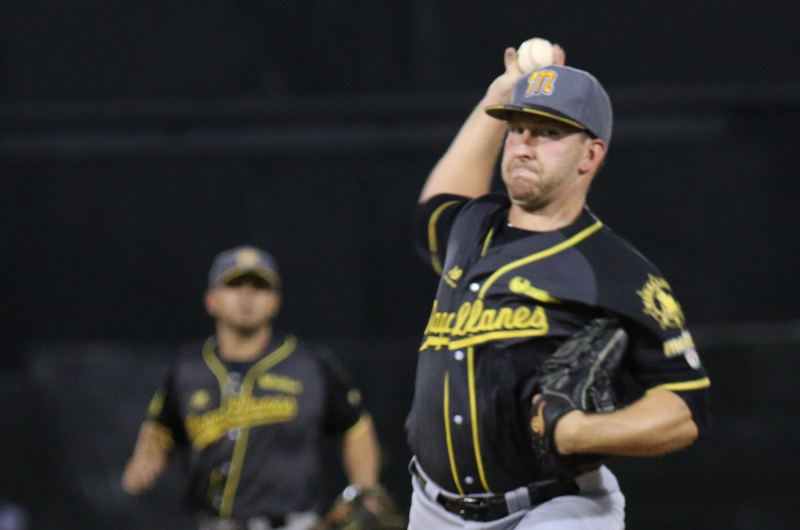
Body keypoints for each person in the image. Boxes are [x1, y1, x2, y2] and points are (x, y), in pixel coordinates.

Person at [406, 43, 712, 529]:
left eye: (548, 133)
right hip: (432, 509)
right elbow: (433, 208)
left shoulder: (614, 270)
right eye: (516, 129)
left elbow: (685, 408)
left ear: (590, 154)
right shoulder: (472, 226)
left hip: (552, 508)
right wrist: (498, 95)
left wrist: (583, 432)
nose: (524, 145)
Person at [122, 245, 382, 530]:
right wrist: (146, 458)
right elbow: (161, 429)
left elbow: (355, 428)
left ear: (275, 301)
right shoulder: (188, 369)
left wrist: (364, 490)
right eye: (234, 285)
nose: (247, 296)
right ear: (211, 300)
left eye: (259, 287)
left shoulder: (310, 366)